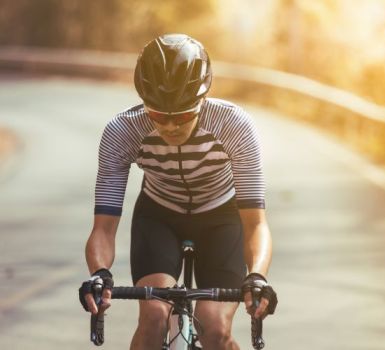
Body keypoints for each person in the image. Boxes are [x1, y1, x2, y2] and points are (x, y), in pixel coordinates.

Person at [79, 33, 277, 350]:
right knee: (154, 316)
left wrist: (257, 277)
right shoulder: (122, 131)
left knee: (214, 326)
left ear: (202, 101)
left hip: (221, 218)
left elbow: (255, 223)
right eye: (158, 115)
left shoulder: (234, 125)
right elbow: (103, 227)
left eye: (183, 115)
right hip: (159, 215)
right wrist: (100, 273)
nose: (171, 127)